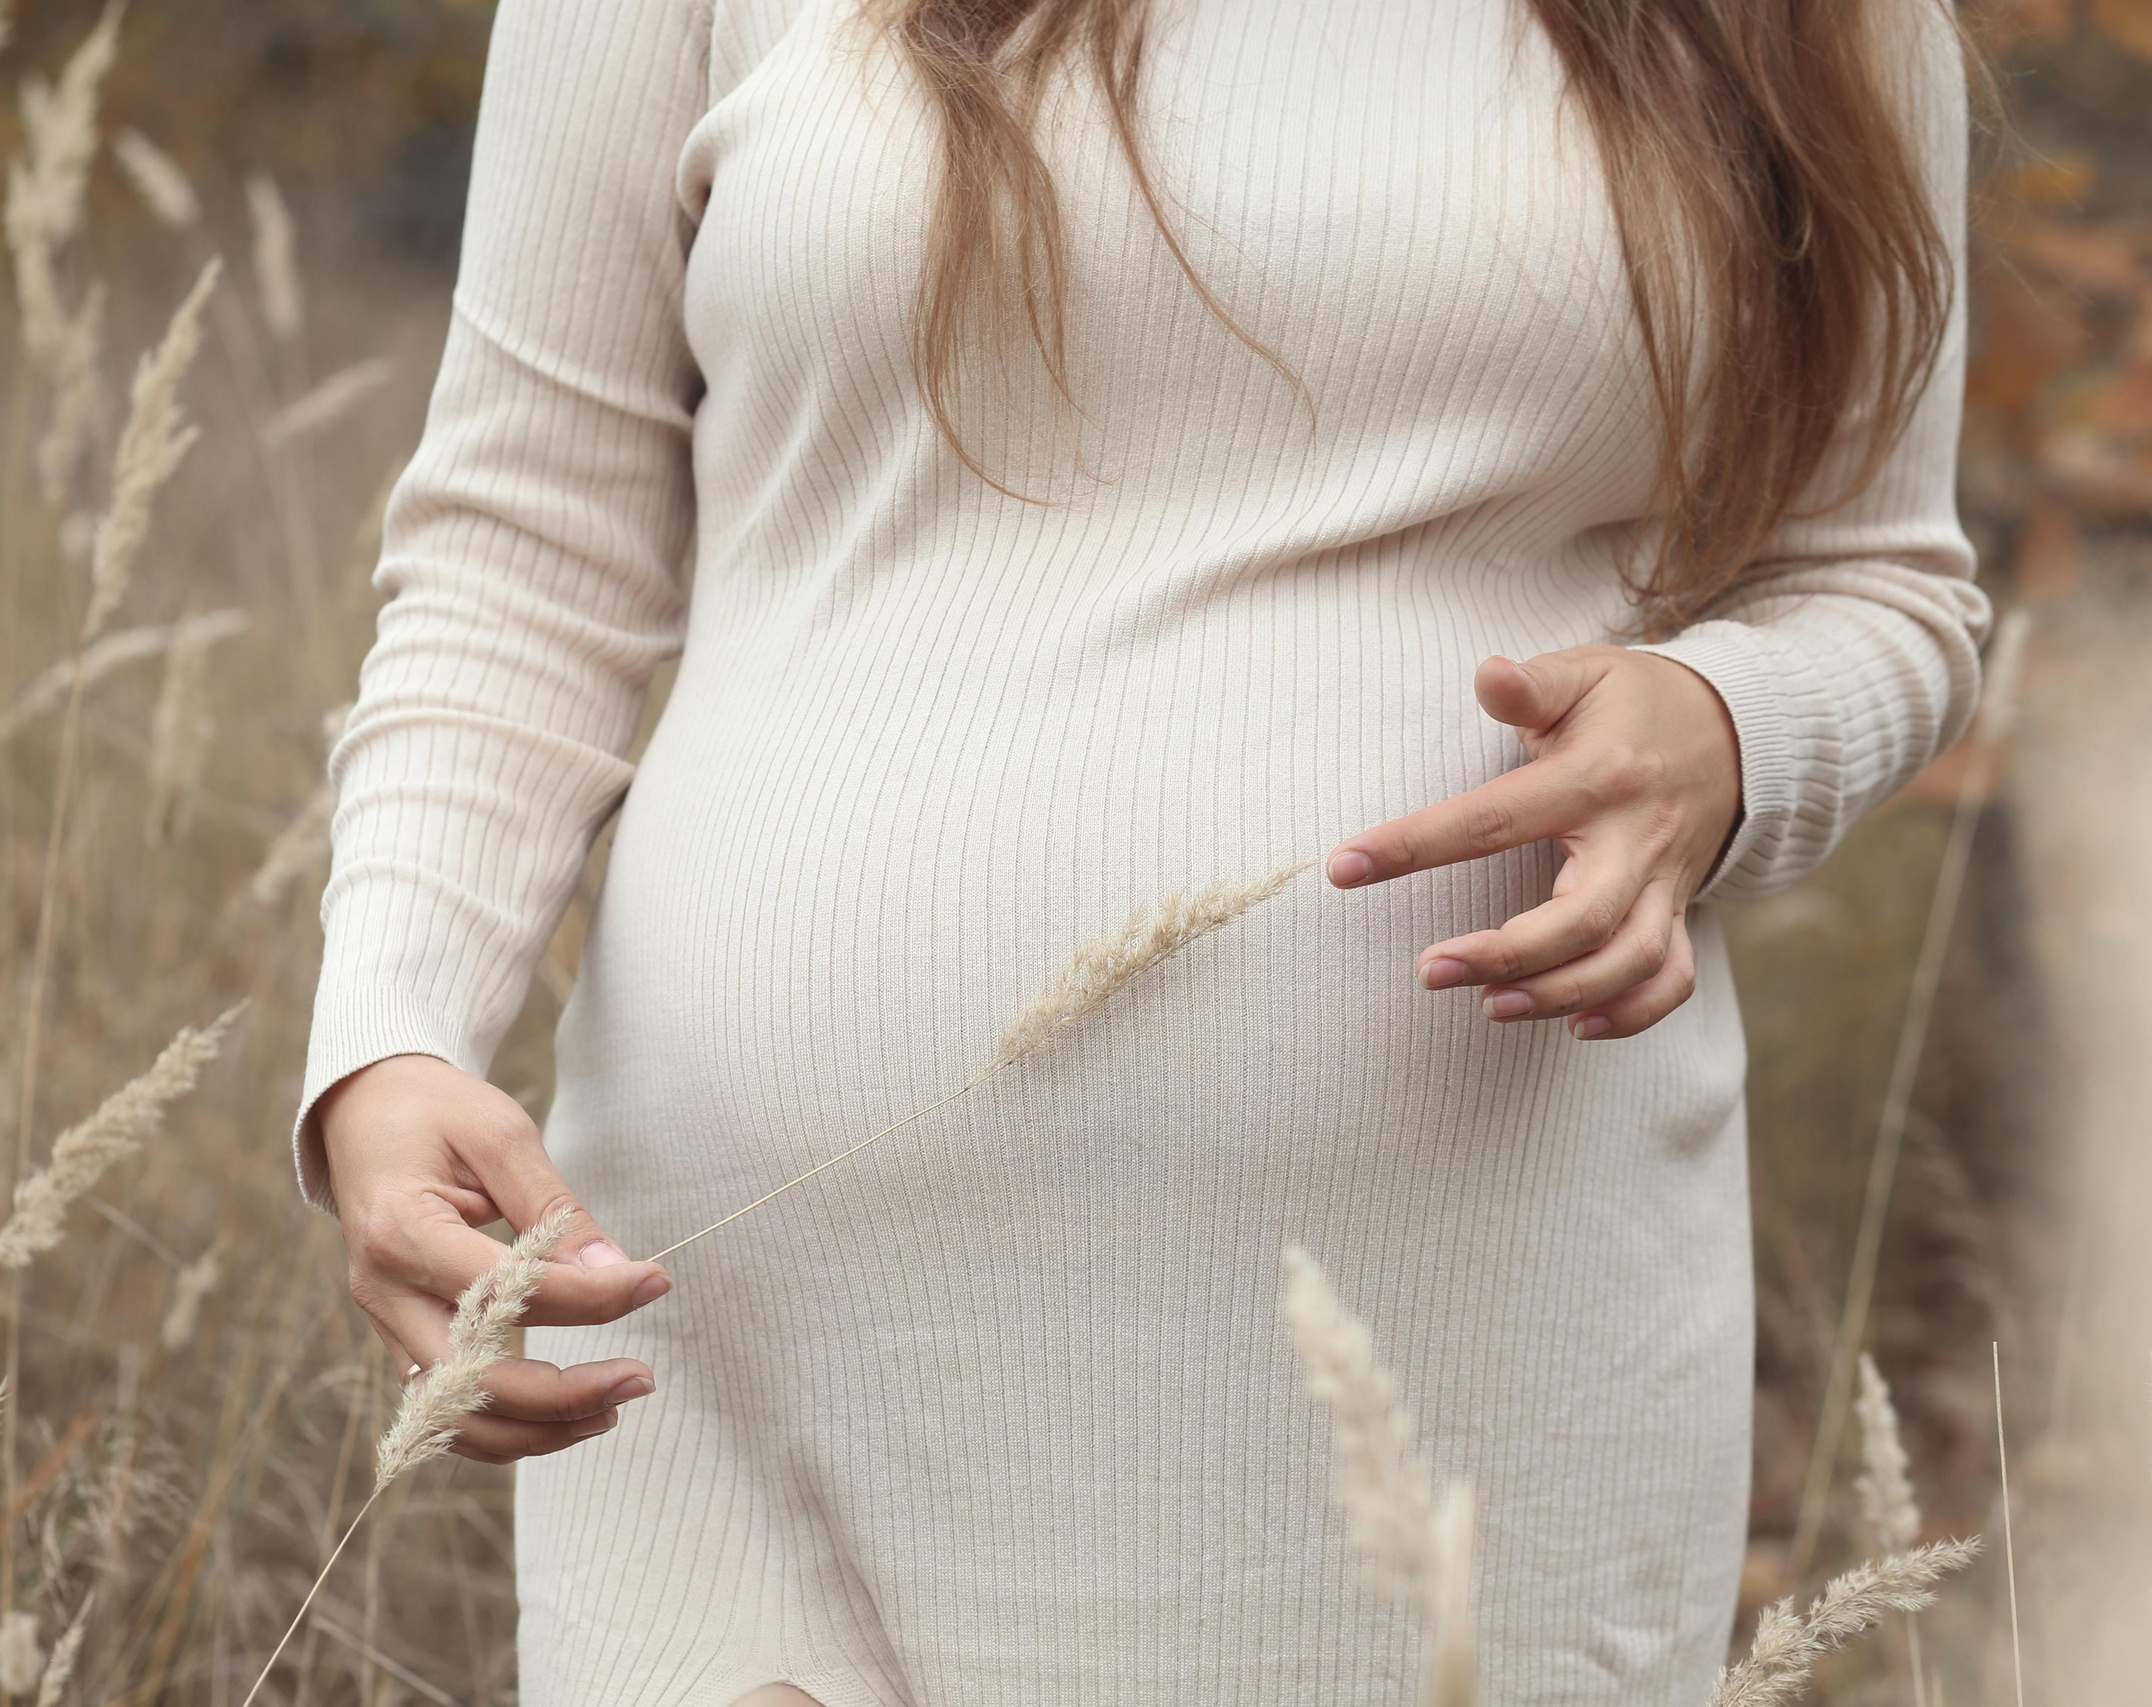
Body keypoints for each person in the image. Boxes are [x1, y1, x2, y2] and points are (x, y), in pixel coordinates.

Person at [294, 0, 1989, 1699]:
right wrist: (386, 1034)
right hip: (741, 1346)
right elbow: (525, 546)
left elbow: (1885, 585)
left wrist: (1725, 731)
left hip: (1455, 1356)